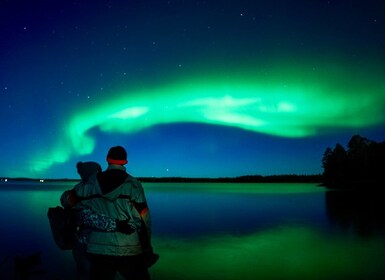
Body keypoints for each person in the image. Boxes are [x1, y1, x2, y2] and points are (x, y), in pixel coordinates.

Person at [74, 146, 156, 280]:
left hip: (98, 250)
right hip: (129, 248)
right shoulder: (133, 185)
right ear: (125, 162)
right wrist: (146, 246)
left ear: (107, 160)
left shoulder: (89, 184)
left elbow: (71, 203)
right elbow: (142, 219)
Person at [61, 161, 135, 280]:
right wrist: (117, 224)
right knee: (88, 274)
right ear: (94, 172)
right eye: (99, 171)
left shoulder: (83, 188)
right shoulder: (85, 190)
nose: (102, 173)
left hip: (93, 243)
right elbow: (89, 217)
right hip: (88, 245)